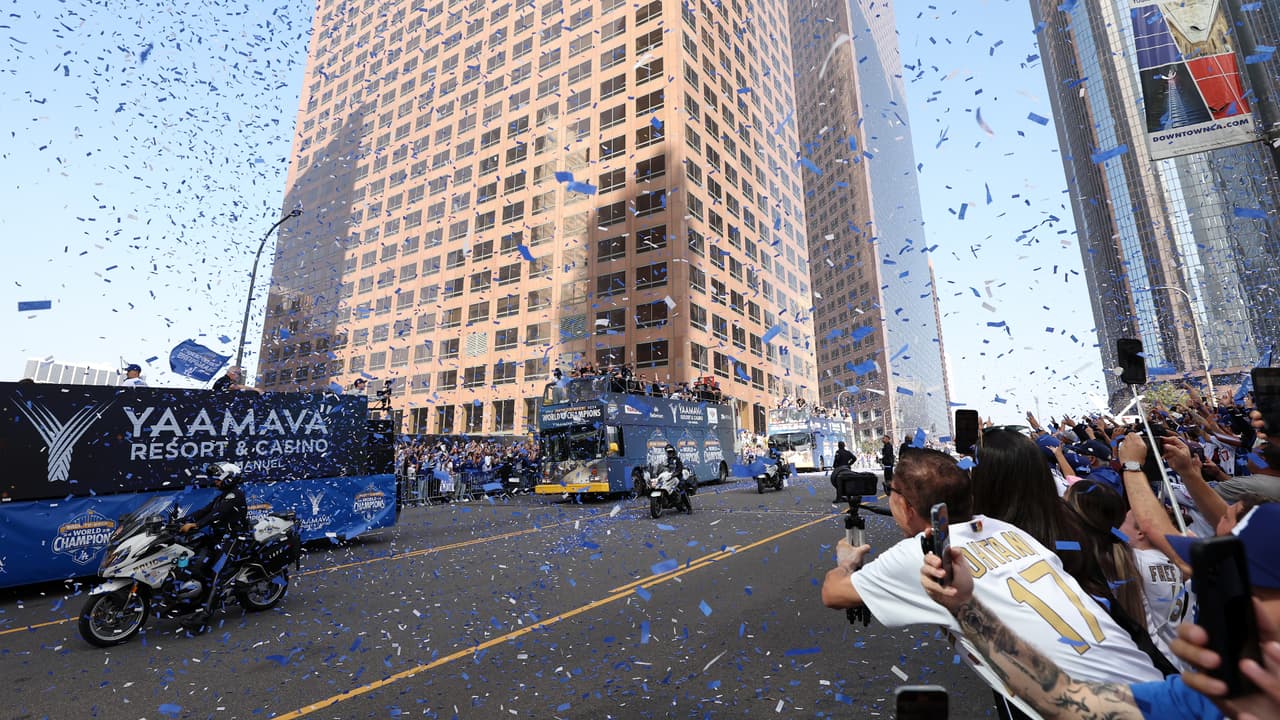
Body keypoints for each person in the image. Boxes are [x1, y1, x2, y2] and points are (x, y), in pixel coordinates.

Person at [821, 447, 1162, 708]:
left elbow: (833, 594)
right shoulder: (1007, 529)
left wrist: (845, 562)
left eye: (891, 490)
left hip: (1091, 706)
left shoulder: (925, 554)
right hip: (1160, 690)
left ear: (906, 506)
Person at [917, 502, 1280, 720]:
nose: (1223, 601)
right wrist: (965, 606)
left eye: (1247, 588)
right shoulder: (1207, 699)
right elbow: (1064, 698)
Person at [176, 462, 250, 612]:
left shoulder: (235, 495)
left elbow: (216, 514)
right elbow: (204, 511)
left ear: (229, 478)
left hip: (234, 538)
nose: (215, 481)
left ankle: (203, 616)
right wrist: (179, 522)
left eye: (218, 478)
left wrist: (196, 525)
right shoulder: (221, 497)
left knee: (218, 573)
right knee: (196, 562)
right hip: (218, 537)